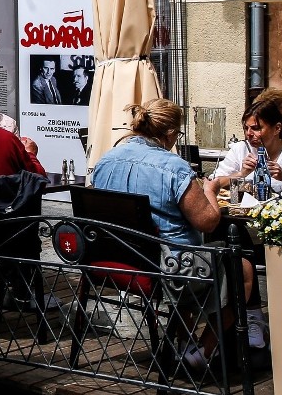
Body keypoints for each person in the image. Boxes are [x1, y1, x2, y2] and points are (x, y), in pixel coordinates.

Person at [91, 98, 261, 368]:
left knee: (185, 250)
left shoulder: (105, 161)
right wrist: (210, 190)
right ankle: (202, 352)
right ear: (170, 133)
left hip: (118, 260)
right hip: (166, 268)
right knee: (242, 269)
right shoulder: (172, 166)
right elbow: (207, 221)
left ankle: (182, 341)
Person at [212, 100, 282, 199]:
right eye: (246, 128)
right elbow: (212, 184)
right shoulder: (240, 149)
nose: (249, 134)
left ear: (277, 128)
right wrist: (241, 174)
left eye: (256, 128)